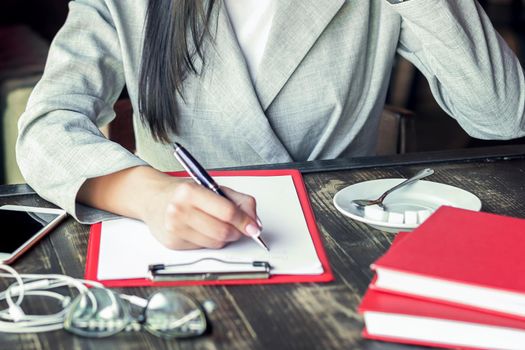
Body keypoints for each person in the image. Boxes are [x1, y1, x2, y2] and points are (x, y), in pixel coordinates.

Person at [16, 0, 525, 250]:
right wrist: (148, 195)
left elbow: (501, 115)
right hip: (178, 248)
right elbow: (46, 126)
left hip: (346, 242)